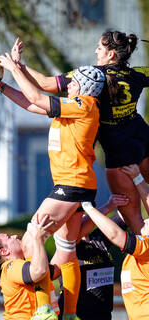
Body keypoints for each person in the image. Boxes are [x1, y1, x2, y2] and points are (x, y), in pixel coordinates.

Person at [0, 49, 105, 319]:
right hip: (76, 185)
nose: (69, 83)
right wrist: (1, 86)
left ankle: (43, 310)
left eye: (74, 81)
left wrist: (14, 68)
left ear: (84, 87)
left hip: (72, 184)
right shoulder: (72, 107)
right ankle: (68, 315)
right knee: (66, 249)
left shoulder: (84, 104)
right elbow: (31, 104)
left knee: (34, 234)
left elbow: (36, 96)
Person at [9, 32, 149, 234]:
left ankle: (144, 264)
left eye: (99, 48)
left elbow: (46, 84)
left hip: (120, 154)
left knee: (136, 222)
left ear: (110, 54)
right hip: (143, 139)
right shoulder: (137, 74)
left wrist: (18, 65)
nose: (95, 51)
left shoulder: (91, 75)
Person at [81, 163, 149, 320]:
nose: (145, 221)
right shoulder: (76, 247)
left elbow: (115, 234)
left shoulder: (144, 249)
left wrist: (89, 207)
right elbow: (125, 214)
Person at [0, 215, 58, 320]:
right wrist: (38, 239)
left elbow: (57, 270)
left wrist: (65, 241)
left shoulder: (25, 265)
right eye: (9, 237)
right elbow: (39, 271)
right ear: (4, 252)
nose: (15, 236)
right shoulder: (10, 267)